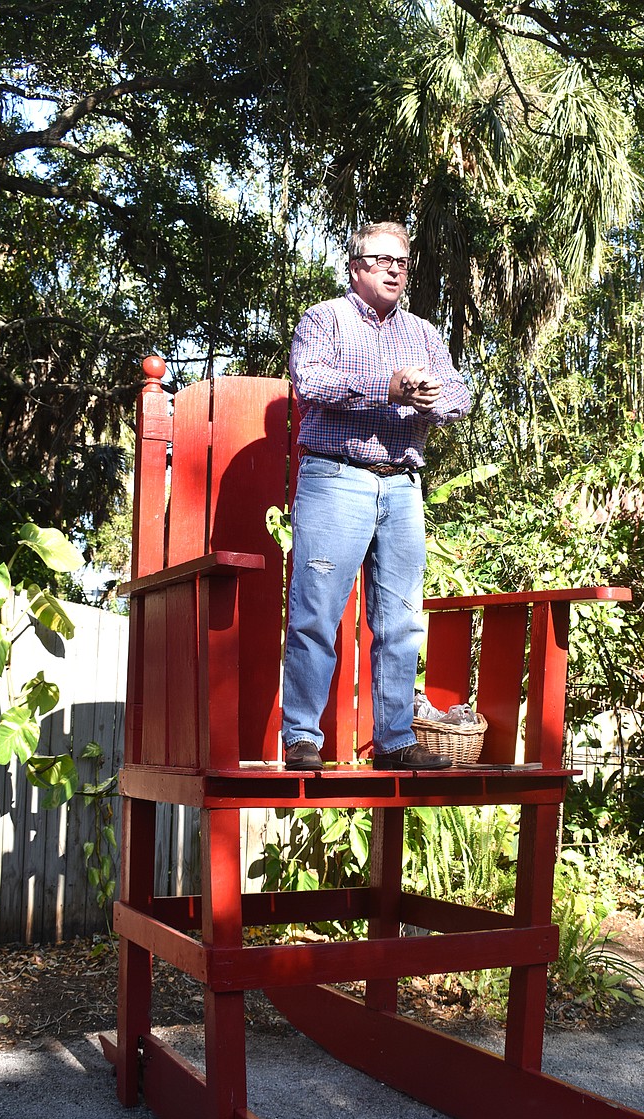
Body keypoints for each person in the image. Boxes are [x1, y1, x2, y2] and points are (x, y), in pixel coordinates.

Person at [282, 221, 471, 770]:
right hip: (336, 478)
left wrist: (434, 396)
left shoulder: (424, 333)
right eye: (382, 260)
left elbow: (460, 395)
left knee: (402, 620)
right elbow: (311, 383)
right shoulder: (324, 320)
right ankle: (302, 738)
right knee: (317, 613)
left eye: (402, 262)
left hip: (404, 485)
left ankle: (394, 742)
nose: (394, 270)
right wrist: (384, 389)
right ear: (355, 266)